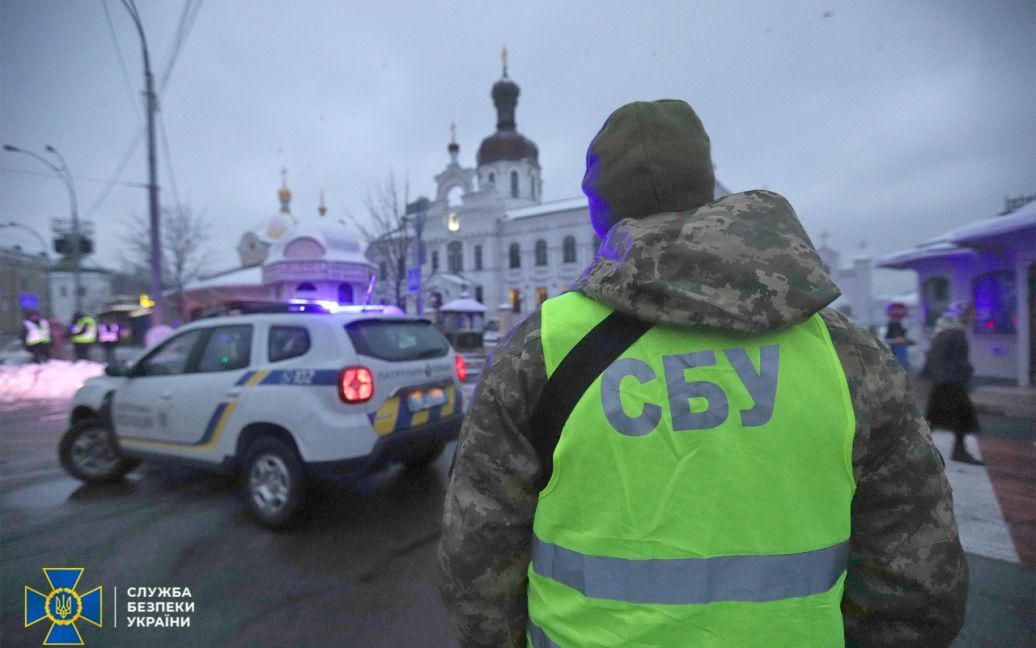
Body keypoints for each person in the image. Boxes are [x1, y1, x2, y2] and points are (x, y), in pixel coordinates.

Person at [439, 100, 967, 647]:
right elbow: (917, 574)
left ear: (600, 213)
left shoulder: (539, 349)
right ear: (707, 192)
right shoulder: (847, 354)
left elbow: (477, 553)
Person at [923, 301, 983, 465]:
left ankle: (916, 450)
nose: (973, 317)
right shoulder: (951, 333)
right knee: (962, 415)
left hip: (949, 381)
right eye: (970, 313)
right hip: (949, 382)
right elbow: (938, 358)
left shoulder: (949, 331)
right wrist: (945, 378)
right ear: (961, 314)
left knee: (936, 418)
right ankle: (958, 451)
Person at [883, 302, 913, 370]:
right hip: (895, 351)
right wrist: (896, 340)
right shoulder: (890, 325)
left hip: (902, 351)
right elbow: (887, 339)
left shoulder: (904, 324)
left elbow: (911, 340)